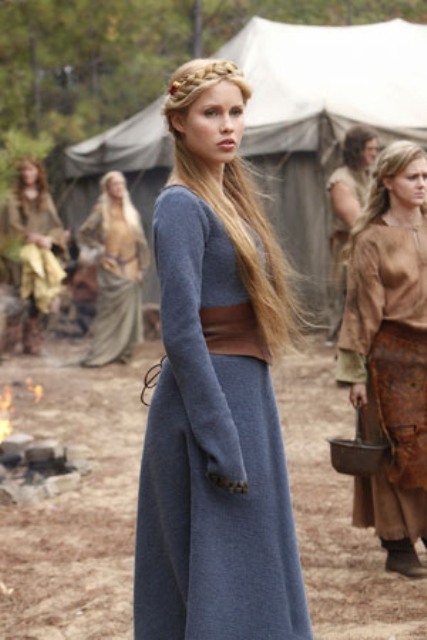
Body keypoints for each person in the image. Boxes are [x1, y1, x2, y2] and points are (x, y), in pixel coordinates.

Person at [133, 59, 313, 640]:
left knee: (253, 555)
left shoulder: (226, 196)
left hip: (244, 391)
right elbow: (181, 330)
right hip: (209, 402)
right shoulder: (180, 205)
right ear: (179, 122)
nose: (228, 124)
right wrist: (219, 436)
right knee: (225, 563)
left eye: (235, 112)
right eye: (211, 113)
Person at [336, 140, 427, 578]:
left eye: (426, 176)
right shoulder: (372, 239)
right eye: (413, 177)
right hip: (390, 359)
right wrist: (355, 374)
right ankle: (397, 543)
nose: (422, 184)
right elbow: (359, 310)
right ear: (388, 181)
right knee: (396, 451)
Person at [78, 171, 150, 366]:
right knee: (108, 314)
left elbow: (141, 242)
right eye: (115, 184)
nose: (119, 187)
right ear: (107, 188)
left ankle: (124, 353)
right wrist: (100, 249)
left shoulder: (131, 212)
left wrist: (142, 267)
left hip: (131, 267)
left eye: (121, 183)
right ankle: (101, 354)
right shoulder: (101, 211)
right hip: (110, 267)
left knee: (129, 315)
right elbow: (84, 233)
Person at [3, 156, 68, 355]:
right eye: (23, 170)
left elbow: (56, 225)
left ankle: (32, 342)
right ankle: (10, 342)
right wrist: (30, 237)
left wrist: (49, 239)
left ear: (38, 172)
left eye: (31, 170)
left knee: (38, 298)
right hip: (18, 255)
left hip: (41, 255)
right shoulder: (12, 198)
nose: (27, 174)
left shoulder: (45, 198)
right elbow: (10, 225)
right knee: (17, 296)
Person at [325, 125, 379, 345]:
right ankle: (342, 340)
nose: (374, 154)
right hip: (349, 247)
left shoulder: (367, 174)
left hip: (370, 245)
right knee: (347, 295)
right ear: (357, 150)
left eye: (375, 149)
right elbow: (357, 222)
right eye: (370, 149)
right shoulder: (341, 181)